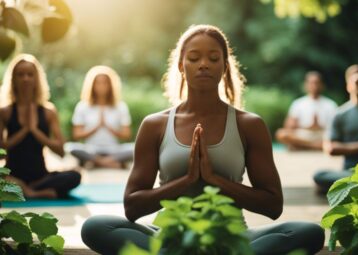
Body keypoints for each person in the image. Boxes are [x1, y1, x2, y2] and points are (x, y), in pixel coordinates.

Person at [81, 25, 324, 255]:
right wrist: (186, 182)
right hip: (170, 233)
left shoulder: (249, 125)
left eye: (214, 58)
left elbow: (272, 206)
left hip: (229, 235)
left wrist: (214, 180)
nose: (204, 65)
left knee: (309, 232)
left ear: (225, 66)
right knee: (96, 226)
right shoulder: (155, 125)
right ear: (180, 65)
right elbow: (132, 207)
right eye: (194, 58)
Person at [0, 54, 81, 199]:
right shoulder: (5, 112)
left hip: (40, 177)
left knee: (75, 176)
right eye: (20, 75)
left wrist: (35, 131)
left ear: (37, 79)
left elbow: (61, 151)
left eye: (30, 74)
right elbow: (1, 151)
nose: (25, 78)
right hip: (12, 176)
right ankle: (31, 192)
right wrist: (24, 130)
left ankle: (26, 190)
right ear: (13, 79)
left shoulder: (49, 111)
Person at [313, 64, 358, 193]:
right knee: (319, 175)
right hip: (351, 171)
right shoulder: (339, 114)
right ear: (348, 86)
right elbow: (330, 148)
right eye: (356, 81)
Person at [65, 65, 134, 169]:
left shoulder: (120, 106)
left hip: (113, 149)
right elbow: (76, 134)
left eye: (105, 83)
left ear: (111, 85)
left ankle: (96, 163)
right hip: (91, 149)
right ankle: (110, 163)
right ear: (92, 85)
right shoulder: (83, 106)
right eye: (98, 83)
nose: (101, 86)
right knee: (71, 147)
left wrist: (108, 127)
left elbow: (126, 134)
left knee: (135, 148)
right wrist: (97, 126)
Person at [276, 71, 337, 150]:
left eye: (316, 83)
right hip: (304, 134)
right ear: (306, 85)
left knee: (335, 138)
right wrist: (308, 127)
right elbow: (289, 127)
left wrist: (319, 127)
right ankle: (317, 146)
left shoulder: (330, 104)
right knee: (281, 134)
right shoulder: (298, 103)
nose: (314, 86)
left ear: (322, 85)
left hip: (322, 134)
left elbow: (335, 128)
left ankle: (302, 146)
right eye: (311, 83)